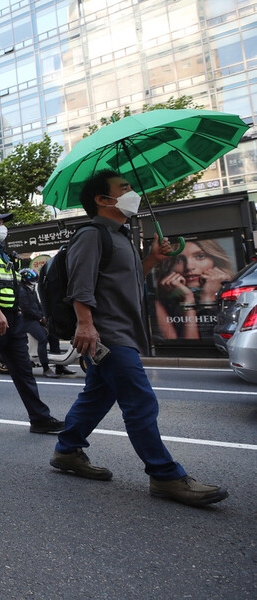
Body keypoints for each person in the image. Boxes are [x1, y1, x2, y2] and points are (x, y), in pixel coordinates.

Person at [51, 170, 228, 507]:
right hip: (107, 334)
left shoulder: (121, 237)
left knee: (97, 397)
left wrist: (151, 260)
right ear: (104, 200)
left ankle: (67, 450)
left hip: (122, 331)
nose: (132, 193)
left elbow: (124, 281)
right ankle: (165, 475)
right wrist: (85, 324)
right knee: (140, 401)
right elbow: (80, 283)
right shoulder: (91, 235)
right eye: (125, 189)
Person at [0, 210, 64, 434]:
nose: (2, 226)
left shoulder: (5, 256)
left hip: (13, 319)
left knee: (23, 369)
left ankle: (40, 419)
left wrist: (14, 313)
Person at [153, 239, 233, 340]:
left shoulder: (233, 291)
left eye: (200, 256)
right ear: (170, 266)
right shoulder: (159, 302)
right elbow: (190, 349)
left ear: (215, 261)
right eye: (178, 260)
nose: (189, 267)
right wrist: (188, 300)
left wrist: (208, 297)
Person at [16, 268, 58, 378]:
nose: (33, 281)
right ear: (24, 279)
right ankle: (46, 368)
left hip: (37, 318)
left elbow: (38, 304)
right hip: (28, 321)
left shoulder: (31, 289)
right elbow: (26, 309)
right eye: (31, 278)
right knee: (43, 339)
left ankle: (60, 366)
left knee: (54, 335)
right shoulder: (21, 291)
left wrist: (44, 316)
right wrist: (40, 319)